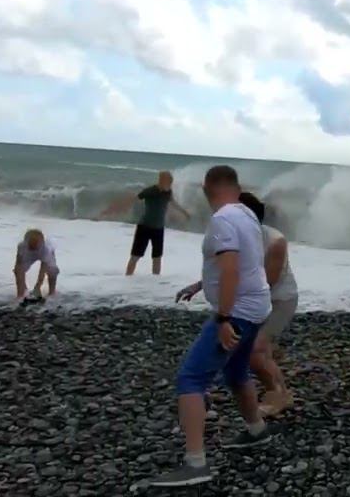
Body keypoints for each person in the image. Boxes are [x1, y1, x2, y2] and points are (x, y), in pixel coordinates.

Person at [148, 166, 274, 488]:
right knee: (236, 372)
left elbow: (231, 270)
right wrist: (201, 284)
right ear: (237, 186)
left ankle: (195, 464)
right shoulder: (247, 214)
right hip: (258, 306)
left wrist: (222, 319)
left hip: (238, 312)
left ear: (206, 189)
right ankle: (257, 430)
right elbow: (243, 264)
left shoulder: (221, 220)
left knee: (191, 378)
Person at [239, 192, 297, 417]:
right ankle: (282, 394)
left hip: (280, 300)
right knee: (262, 352)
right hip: (253, 299)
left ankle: (277, 395)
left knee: (255, 351)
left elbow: (268, 281)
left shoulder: (275, 241)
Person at [101, 171, 190, 276]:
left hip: (159, 228)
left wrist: (184, 212)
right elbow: (134, 199)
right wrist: (118, 208)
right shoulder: (150, 191)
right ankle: (127, 278)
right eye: (169, 182)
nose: (170, 185)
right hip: (144, 227)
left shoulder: (168, 192)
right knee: (135, 256)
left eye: (171, 182)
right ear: (162, 181)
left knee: (157, 257)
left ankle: (155, 281)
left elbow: (173, 202)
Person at [14, 228, 59, 301]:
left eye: (35, 245)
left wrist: (37, 287)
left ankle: (52, 293)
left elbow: (43, 268)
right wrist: (21, 289)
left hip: (45, 253)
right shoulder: (22, 246)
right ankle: (21, 293)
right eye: (31, 244)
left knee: (52, 271)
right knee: (18, 270)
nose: (33, 247)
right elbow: (18, 265)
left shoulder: (46, 248)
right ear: (26, 242)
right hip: (29, 254)